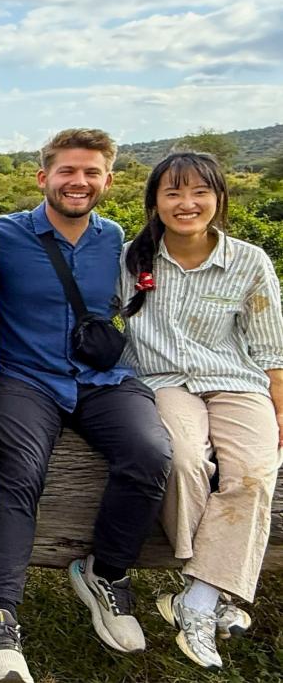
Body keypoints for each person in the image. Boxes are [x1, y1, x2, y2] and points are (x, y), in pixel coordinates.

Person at [0, 128, 172, 683]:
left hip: (101, 377)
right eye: (67, 171)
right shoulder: (0, 236)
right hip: (26, 377)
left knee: (149, 452)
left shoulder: (116, 239)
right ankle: (0, 616)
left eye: (91, 173)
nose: (78, 182)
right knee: (19, 471)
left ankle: (106, 575)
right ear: (43, 177)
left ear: (108, 181)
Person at [121, 152, 283, 671]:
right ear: (154, 203)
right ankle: (214, 587)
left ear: (219, 198)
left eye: (199, 193)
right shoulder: (131, 260)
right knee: (185, 460)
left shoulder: (249, 261)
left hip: (237, 382)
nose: (186, 204)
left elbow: (271, 352)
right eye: (173, 193)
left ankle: (196, 600)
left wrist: (280, 412)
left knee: (255, 474)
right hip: (164, 381)